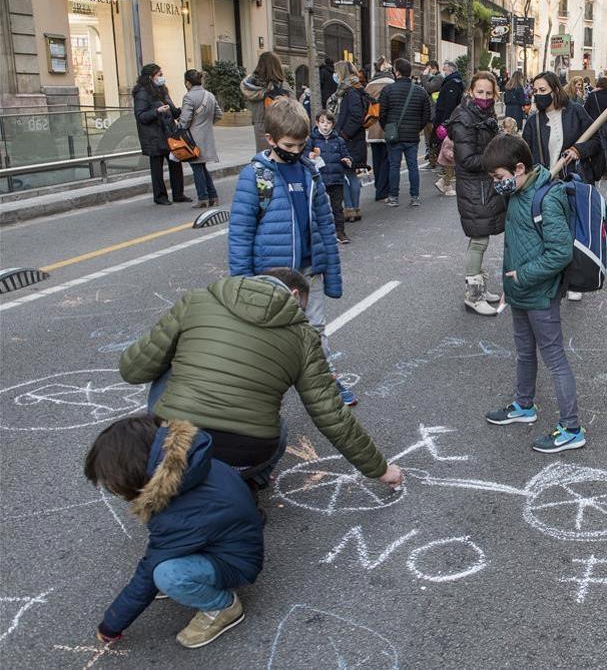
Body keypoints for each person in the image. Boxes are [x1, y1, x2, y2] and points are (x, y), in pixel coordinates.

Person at [120, 269, 404, 498]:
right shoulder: (304, 336)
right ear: (294, 295)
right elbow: (331, 414)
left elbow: (133, 370)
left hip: (172, 436)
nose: (303, 316)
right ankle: (249, 479)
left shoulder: (197, 300)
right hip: (245, 449)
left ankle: (161, 455)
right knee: (277, 427)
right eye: (303, 308)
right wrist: (380, 470)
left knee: (168, 366)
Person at [88, 416, 263, 649]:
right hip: (227, 540)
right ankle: (197, 574)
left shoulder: (180, 516)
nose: (112, 490)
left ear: (135, 470)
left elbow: (148, 572)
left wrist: (112, 624)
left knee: (166, 575)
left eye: (112, 484)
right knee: (163, 563)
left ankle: (222, 606)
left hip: (235, 561)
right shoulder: (189, 464)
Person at [227, 98, 358, 407]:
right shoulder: (256, 177)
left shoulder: (310, 173)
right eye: (289, 145)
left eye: (302, 145)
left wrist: (333, 275)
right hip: (271, 279)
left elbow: (326, 224)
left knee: (315, 332)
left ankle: (326, 382)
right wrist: (241, 285)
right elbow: (241, 234)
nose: (296, 151)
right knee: (268, 337)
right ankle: (260, 395)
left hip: (309, 272)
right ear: (271, 140)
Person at [481, 135, 586, 453]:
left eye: (499, 178)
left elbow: (560, 252)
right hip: (520, 292)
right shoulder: (518, 191)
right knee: (525, 353)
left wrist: (523, 277)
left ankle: (571, 428)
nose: (497, 184)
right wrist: (509, 287)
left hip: (540, 293)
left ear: (519, 168)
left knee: (554, 359)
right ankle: (524, 406)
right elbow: (518, 245)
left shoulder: (546, 198)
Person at [447, 71, 507, 316]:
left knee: (482, 238)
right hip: (475, 186)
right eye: (480, 92)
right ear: (471, 92)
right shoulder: (464, 118)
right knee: (479, 239)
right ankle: (474, 295)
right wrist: (498, 158)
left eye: (488, 93)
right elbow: (467, 159)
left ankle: (480, 288)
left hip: (483, 185)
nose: (484, 97)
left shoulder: (483, 114)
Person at [522, 72, 604, 182]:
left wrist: (578, 150)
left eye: (542, 90)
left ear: (555, 91)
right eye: (535, 91)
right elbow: (525, 156)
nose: (538, 95)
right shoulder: (532, 122)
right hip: (547, 188)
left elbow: (596, 141)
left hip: (574, 183)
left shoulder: (576, 111)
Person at [379, 58, 433, 208]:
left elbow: (381, 114)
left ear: (396, 72)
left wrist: (388, 128)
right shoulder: (420, 92)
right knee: (413, 166)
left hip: (394, 135)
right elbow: (426, 115)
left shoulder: (388, 90)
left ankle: (394, 197)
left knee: (394, 166)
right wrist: (417, 128)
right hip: (412, 135)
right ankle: (414, 196)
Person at [133, 63, 189, 206]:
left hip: (168, 133)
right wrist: (157, 111)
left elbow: (172, 111)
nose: (162, 78)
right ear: (150, 77)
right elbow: (141, 116)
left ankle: (178, 194)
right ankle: (160, 196)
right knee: (157, 167)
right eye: (159, 75)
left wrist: (182, 109)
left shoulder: (162, 91)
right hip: (153, 135)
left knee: (175, 163)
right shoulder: (142, 93)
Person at [178, 69, 222, 208]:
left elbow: (185, 120)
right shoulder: (210, 95)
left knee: (197, 167)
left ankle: (203, 198)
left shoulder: (189, 97)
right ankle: (213, 196)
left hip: (193, 138)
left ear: (188, 83)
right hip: (207, 135)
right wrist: (207, 124)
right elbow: (219, 114)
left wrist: (179, 129)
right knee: (201, 167)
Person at [308, 110, 353, 244]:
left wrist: (347, 160)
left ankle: (341, 232)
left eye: (328, 122)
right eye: (322, 122)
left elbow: (346, 154)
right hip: (319, 179)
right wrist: (310, 156)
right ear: (317, 123)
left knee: (337, 207)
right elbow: (305, 156)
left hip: (336, 179)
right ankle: (320, 233)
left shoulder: (338, 140)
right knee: (319, 207)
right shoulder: (312, 139)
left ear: (333, 125)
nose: (325, 125)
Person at [331, 61, 369, 222]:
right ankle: (354, 208)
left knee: (347, 174)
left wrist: (343, 135)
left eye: (336, 72)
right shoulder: (354, 89)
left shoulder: (350, 91)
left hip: (349, 140)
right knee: (350, 174)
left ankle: (350, 208)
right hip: (354, 139)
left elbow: (355, 116)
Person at [241, 52, 292, 151]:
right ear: (276, 66)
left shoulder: (251, 85)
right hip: (280, 125)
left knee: (264, 157)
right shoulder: (280, 85)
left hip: (259, 125)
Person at [365, 57, 396, 203]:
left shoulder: (369, 85)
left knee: (377, 159)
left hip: (372, 126)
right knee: (387, 159)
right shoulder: (392, 84)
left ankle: (378, 186)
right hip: (388, 126)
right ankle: (384, 190)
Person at [421, 61, 445, 168]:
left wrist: (424, 76)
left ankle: (435, 161)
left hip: (433, 114)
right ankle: (433, 160)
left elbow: (428, 88)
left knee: (433, 138)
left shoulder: (439, 78)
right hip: (429, 113)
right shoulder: (434, 78)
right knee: (429, 139)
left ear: (433, 68)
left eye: (428, 69)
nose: (426, 71)